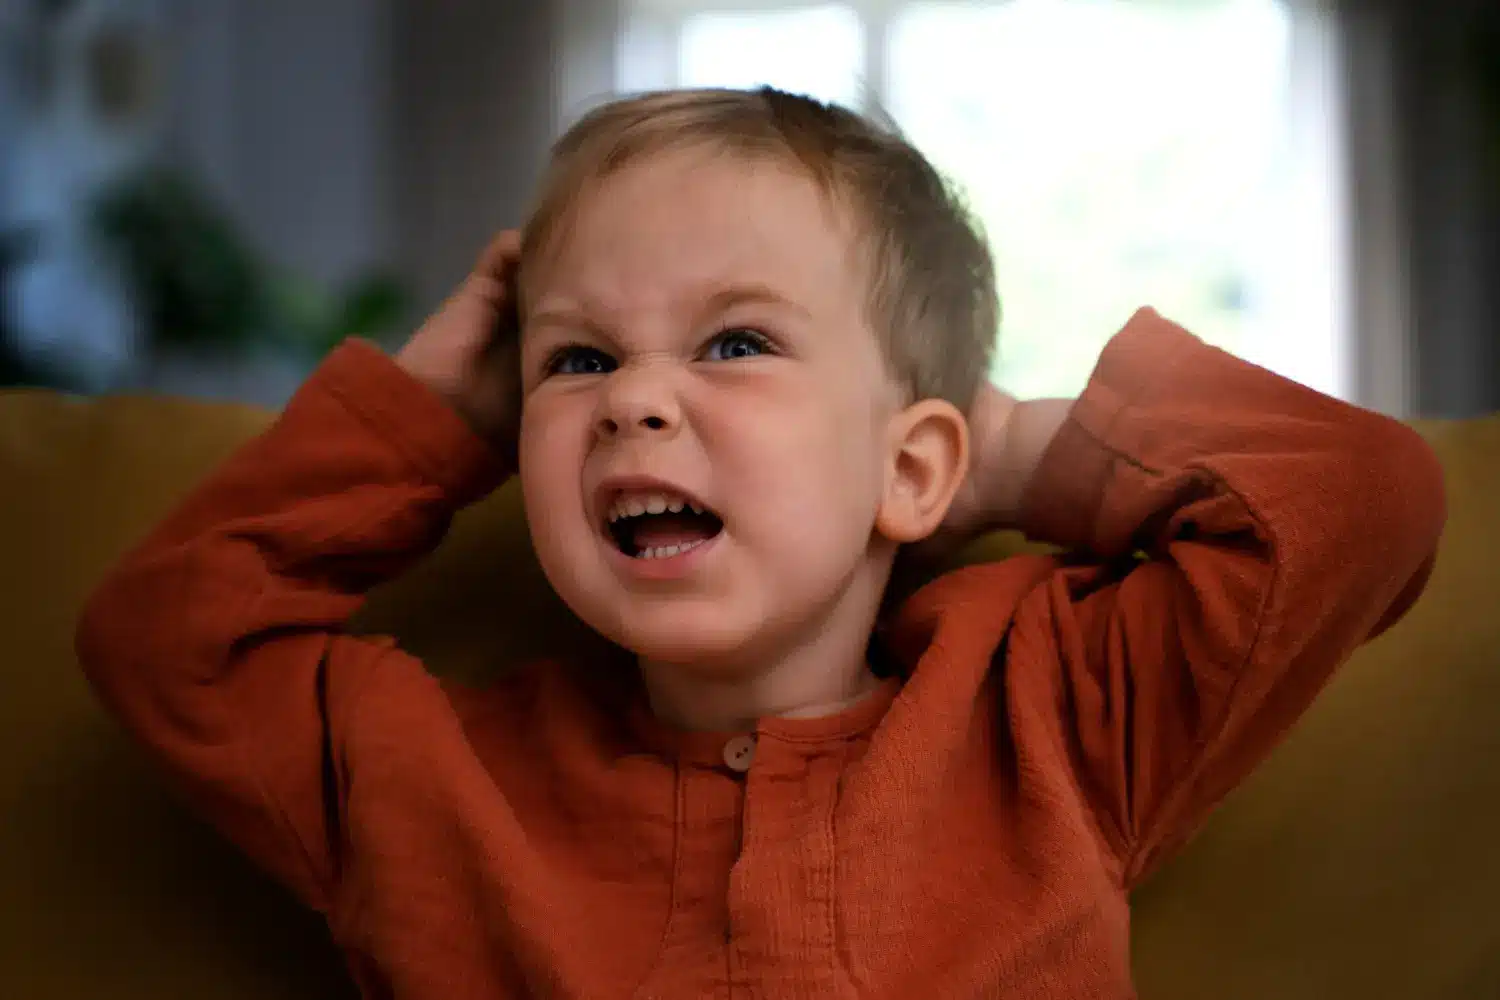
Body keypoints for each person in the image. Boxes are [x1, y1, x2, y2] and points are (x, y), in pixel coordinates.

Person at [76, 87, 1446, 999]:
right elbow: (163, 638)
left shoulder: (1050, 710)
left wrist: (1004, 452)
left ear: (913, 464)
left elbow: (1363, 496)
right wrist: (430, 416)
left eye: (735, 343)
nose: (634, 397)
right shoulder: (421, 774)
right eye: (577, 359)